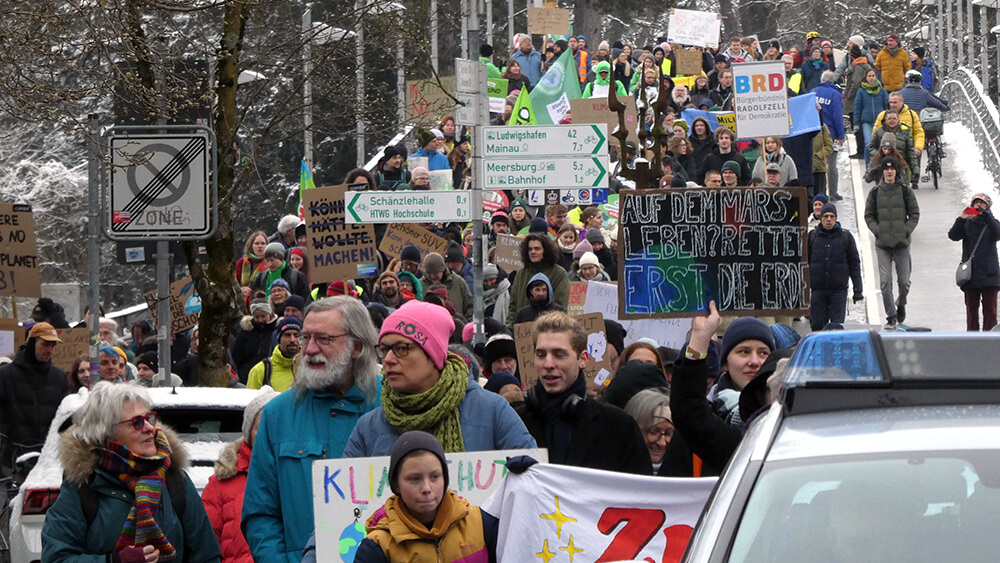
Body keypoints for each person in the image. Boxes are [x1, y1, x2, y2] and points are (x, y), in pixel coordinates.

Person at [242, 297, 382, 561]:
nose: (309, 349)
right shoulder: (277, 415)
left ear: (357, 347)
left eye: (324, 339)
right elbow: (260, 514)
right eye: (306, 338)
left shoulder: (392, 406)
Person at [41, 382, 220, 561]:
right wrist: (115, 561)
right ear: (107, 433)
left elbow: (207, 556)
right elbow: (56, 558)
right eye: (137, 422)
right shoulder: (84, 486)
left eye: (149, 418)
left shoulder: (174, 479)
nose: (150, 428)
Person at [343, 301, 535, 456]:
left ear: (433, 355)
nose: (388, 360)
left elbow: (532, 483)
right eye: (384, 350)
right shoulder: (368, 427)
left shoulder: (493, 412)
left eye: (402, 349)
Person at [515, 312, 650, 474]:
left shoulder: (620, 427)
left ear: (583, 359)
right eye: (541, 354)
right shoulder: (513, 423)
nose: (548, 364)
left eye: (559, 355)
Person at [332, 432, 497, 563]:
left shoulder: (481, 523)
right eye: (414, 479)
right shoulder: (378, 545)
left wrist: (522, 478)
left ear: (445, 479)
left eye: (435, 477)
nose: (426, 488)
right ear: (396, 485)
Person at [202, 386, 279, 562]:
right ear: (248, 432)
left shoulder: (299, 477)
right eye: (263, 426)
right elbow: (205, 546)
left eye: (278, 425)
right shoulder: (220, 484)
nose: (270, 433)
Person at [0, 322, 68, 471]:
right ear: (31, 342)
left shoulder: (60, 377)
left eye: (53, 345)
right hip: (10, 459)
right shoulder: (5, 375)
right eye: (45, 344)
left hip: (48, 458)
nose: (49, 350)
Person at [864, 157, 920, 330]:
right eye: (886, 169)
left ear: (896, 171)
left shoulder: (905, 191)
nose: (889, 172)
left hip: (902, 244)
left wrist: (906, 230)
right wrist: (877, 230)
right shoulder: (874, 192)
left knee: (904, 281)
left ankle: (901, 303)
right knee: (885, 282)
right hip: (883, 245)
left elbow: (915, 213)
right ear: (883, 172)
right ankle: (891, 316)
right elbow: (869, 215)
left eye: (892, 169)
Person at [948, 194, 1000, 331]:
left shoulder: (993, 223)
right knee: (971, 312)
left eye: (982, 204)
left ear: (988, 207)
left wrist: (987, 217)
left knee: (990, 312)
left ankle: (989, 342)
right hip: (971, 275)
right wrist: (961, 218)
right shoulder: (966, 224)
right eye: (976, 203)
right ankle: (972, 339)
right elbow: (953, 236)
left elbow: (998, 234)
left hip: (990, 275)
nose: (978, 206)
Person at [809, 203, 863, 331]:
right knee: (817, 326)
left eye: (832, 216)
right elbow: (804, 263)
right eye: (826, 216)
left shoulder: (846, 237)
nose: (829, 219)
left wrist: (858, 289)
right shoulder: (812, 236)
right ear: (821, 218)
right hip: (818, 289)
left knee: (836, 327)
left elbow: (854, 263)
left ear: (836, 218)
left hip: (838, 290)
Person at [506, 234, 570, 327]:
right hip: (523, 331)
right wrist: (509, 328)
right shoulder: (521, 273)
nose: (533, 252)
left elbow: (560, 306)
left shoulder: (559, 273)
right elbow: (513, 305)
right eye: (530, 249)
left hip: (549, 329)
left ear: (545, 250)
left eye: (537, 249)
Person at [247, 317, 301, 392]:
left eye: (296, 335)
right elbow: (251, 402)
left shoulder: (311, 366)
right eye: (287, 335)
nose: (292, 340)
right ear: (279, 339)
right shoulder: (260, 371)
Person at [232, 299, 279, 384]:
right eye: (257, 317)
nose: (260, 320)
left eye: (263, 316)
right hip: (247, 376)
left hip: (270, 375)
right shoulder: (246, 332)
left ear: (269, 314)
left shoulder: (276, 332)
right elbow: (237, 357)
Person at [421, 252, 473, 322]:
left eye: (436, 273)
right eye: (429, 273)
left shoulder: (458, 282)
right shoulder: (420, 285)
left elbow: (470, 307)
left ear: (443, 270)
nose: (432, 276)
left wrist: (464, 326)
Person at [869, 110, 918, 183]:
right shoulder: (879, 131)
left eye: (894, 118)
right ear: (885, 119)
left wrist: (915, 169)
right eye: (889, 119)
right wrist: (880, 155)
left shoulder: (905, 132)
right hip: (883, 169)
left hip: (901, 168)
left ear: (898, 119)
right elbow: (871, 148)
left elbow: (910, 152)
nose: (892, 121)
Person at [854, 68, 890, 165]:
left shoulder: (882, 90)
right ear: (866, 78)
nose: (871, 78)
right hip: (867, 122)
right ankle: (869, 166)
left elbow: (887, 105)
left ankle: (880, 165)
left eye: (873, 76)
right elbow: (857, 107)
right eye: (869, 76)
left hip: (880, 122)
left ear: (876, 77)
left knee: (881, 144)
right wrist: (856, 123)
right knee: (869, 144)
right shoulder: (861, 91)